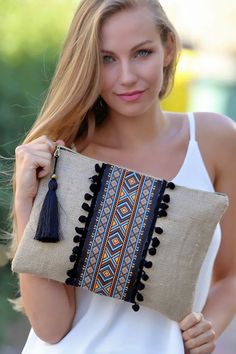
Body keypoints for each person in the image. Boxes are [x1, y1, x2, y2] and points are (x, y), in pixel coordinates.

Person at [12, 0, 236, 353]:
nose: (127, 76)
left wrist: (207, 329)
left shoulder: (215, 140)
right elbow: (52, 328)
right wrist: (25, 202)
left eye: (142, 52)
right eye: (106, 59)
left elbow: (231, 274)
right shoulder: (67, 158)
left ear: (168, 48)